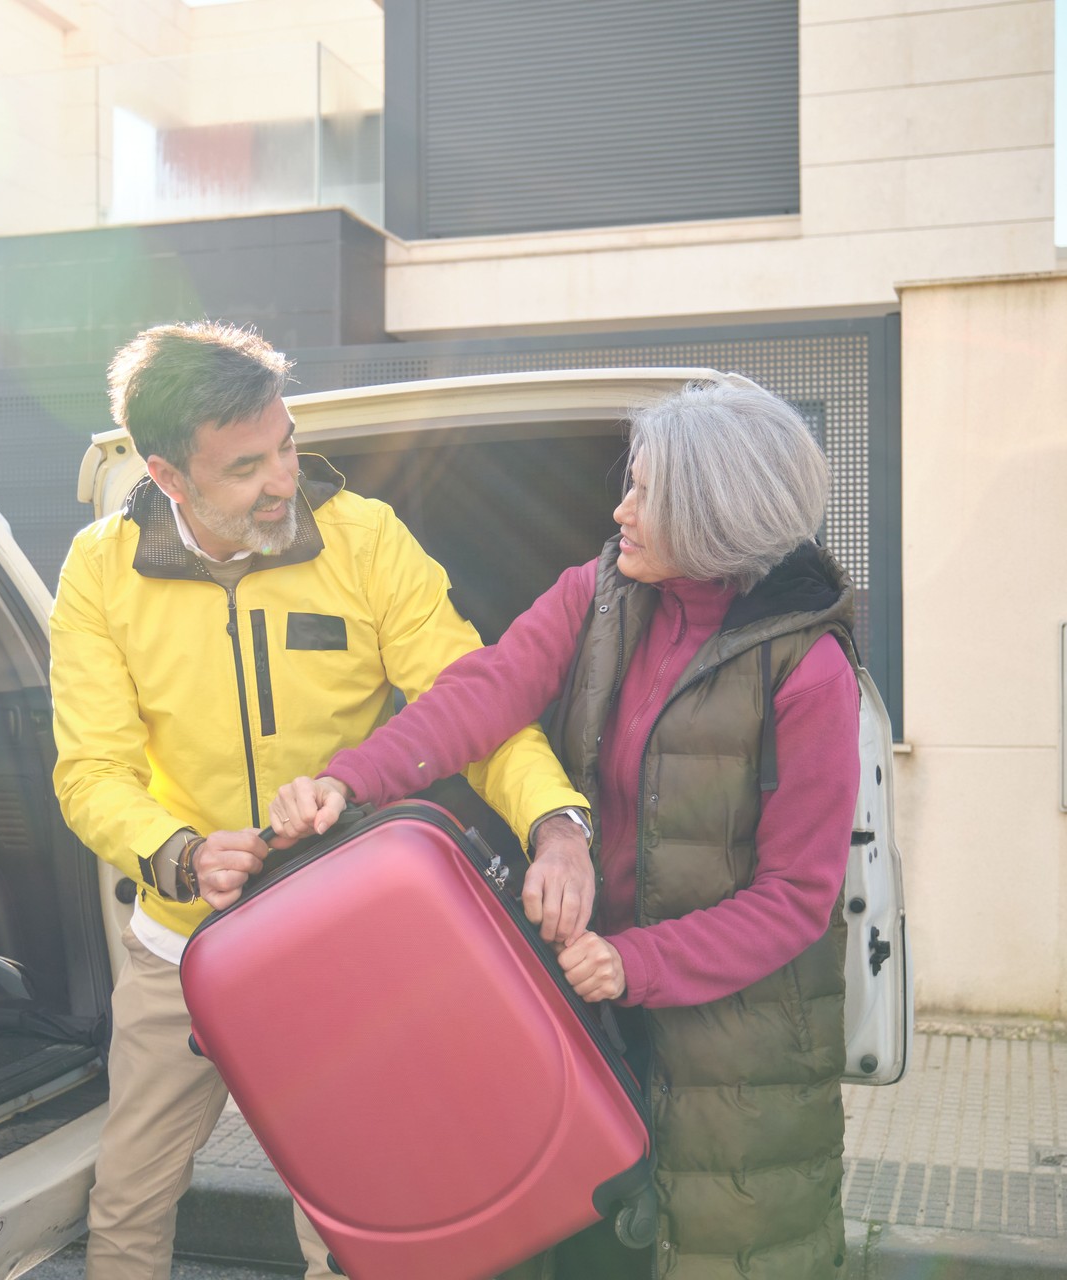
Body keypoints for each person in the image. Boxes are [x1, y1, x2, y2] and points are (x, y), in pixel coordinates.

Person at [271, 381, 862, 1280]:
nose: (619, 509)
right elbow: (479, 696)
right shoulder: (598, 594)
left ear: (715, 515)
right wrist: (347, 782)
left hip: (737, 1054)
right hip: (594, 1002)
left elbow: (798, 901)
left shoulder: (811, 672)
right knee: (583, 1246)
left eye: (646, 493)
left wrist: (638, 963)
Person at [50, 321, 596, 1280]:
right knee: (129, 1204)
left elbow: (478, 708)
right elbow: (90, 771)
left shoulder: (366, 538)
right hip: (182, 941)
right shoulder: (99, 570)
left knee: (349, 1221)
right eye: (246, 466)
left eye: (288, 444)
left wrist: (558, 821)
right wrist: (179, 851)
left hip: (341, 947)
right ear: (171, 476)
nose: (281, 479)